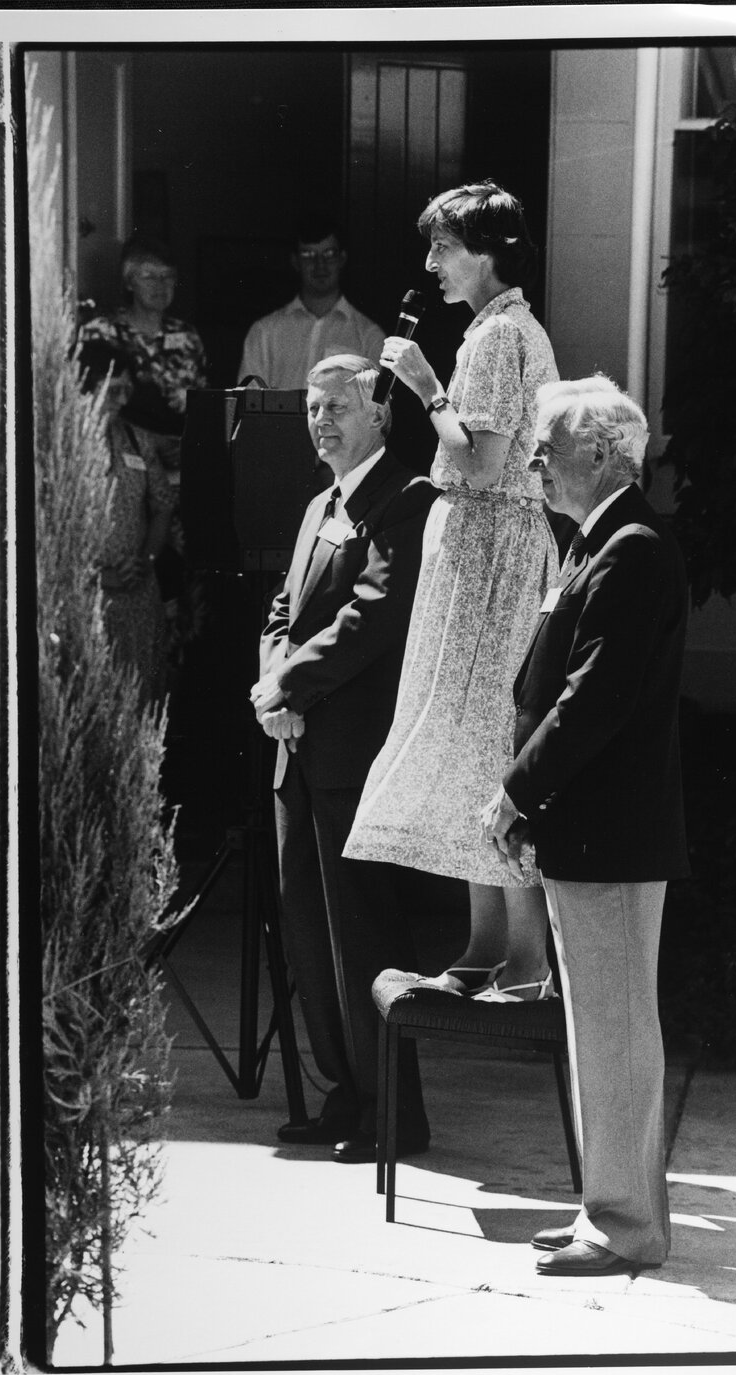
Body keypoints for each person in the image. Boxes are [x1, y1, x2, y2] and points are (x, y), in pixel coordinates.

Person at [482, 376, 689, 1276]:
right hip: (593, 833)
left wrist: (515, 794)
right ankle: (608, 1211)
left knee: (613, 1035)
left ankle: (624, 1225)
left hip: (610, 835)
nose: (532, 463)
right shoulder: (597, 543)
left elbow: (589, 702)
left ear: (599, 452)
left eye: (544, 447)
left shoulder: (629, 548)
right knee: (600, 1034)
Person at [342, 181, 560, 1002]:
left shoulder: (497, 337)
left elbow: (483, 462)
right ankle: (484, 950)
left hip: (494, 561)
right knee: (472, 747)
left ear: (490, 252)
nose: (430, 263)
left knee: (487, 747)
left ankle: (528, 965)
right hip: (478, 556)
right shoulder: (495, 330)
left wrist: (426, 383)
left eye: (444, 247)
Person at [250, 354, 440, 1162]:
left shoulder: (404, 500)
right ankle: (344, 1094)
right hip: (297, 749)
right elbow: (283, 610)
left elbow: (373, 616)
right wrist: (272, 685)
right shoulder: (316, 505)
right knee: (306, 934)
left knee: (361, 939)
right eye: (312, 409)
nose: (321, 421)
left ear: (380, 416)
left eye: (337, 407)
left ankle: (392, 1115)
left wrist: (288, 686)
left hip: (354, 757)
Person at [80, 234, 208, 654]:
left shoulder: (187, 337)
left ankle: (174, 681)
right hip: (123, 473)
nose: (161, 285)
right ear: (129, 281)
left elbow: (203, 410)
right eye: (150, 276)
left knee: (182, 585)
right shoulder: (102, 330)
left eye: (169, 277)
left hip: (177, 476)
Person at [78, 340, 174, 702]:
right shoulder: (65, 445)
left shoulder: (135, 437)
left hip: (137, 589)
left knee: (141, 693)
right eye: (114, 390)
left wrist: (146, 561)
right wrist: (99, 575)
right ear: (88, 383)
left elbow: (163, 505)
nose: (122, 399)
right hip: (89, 592)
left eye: (127, 390)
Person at [237, 213, 385, 390]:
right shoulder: (264, 332)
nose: (319, 264)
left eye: (329, 254)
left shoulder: (369, 337)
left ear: (342, 259)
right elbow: (248, 406)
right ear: (295, 261)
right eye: (308, 254)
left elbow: (376, 409)